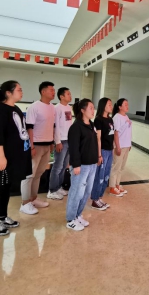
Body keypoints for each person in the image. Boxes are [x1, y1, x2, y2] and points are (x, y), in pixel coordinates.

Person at [0, 80, 32, 236]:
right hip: (2, 157)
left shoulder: (16, 109)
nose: (22, 92)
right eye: (19, 89)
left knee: (6, 188)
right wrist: (1, 157)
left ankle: (2, 217)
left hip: (13, 158)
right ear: (8, 92)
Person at [20, 81, 56, 215]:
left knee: (39, 173)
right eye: (51, 90)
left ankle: (33, 199)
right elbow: (29, 127)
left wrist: (52, 142)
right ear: (43, 91)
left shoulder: (52, 107)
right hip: (36, 145)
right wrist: (31, 146)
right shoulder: (34, 107)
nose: (53, 92)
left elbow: (52, 126)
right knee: (29, 175)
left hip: (47, 145)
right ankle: (25, 203)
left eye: (54, 90)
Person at [66, 99, 100, 231]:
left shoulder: (91, 124)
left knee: (86, 192)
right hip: (81, 166)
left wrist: (97, 157)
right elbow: (73, 148)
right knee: (76, 192)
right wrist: (76, 165)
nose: (93, 110)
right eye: (90, 108)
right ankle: (70, 219)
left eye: (93, 107)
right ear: (82, 110)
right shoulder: (76, 127)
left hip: (91, 165)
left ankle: (78, 215)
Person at [47, 87, 73, 200]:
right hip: (61, 140)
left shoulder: (69, 107)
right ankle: (52, 190)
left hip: (68, 140)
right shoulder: (57, 108)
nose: (70, 96)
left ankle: (58, 187)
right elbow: (55, 126)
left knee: (64, 166)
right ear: (61, 96)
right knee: (57, 166)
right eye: (68, 94)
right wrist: (57, 142)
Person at [90, 98, 114, 210]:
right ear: (103, 106)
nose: (111, 106)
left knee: (106, 176)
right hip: (103, 150)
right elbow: (98, 138)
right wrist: (99, 155)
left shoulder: (110, 119)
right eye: (109, 104)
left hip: (110, 150)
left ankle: (99, 197)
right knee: (99, 175)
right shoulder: (98, 120)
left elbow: (112, 135)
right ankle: (94, 199)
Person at [109, 98, 132, 197]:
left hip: (126, 146)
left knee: (121, 168)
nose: (127, 106)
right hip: (120, 146)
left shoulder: (126, 116)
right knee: (116, 167)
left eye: (127, 104)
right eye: (125, 104)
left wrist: (129, 144)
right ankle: (112, 187)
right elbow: (116, 133)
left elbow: (128, 131)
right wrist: (117, 147)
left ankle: (117, 185)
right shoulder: (117, 117)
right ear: (119, 107)